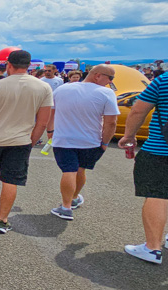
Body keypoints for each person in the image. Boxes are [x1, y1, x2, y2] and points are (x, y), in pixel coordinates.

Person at [0, 50, 54, 233]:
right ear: (29, 66)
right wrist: (31, 141)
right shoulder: (44, 87)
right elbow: (43, 122)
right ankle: (2, 219)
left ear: (8, 65)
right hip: (20, 141)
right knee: (10, 180)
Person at [48, 64, 119, 220]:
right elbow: (111, 122)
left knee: (69, 171)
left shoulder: (62, 89)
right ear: (98, 75)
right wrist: (105, 142)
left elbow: (51, 114)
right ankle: (72, 199)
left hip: (63, 139)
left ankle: (66, 206)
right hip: (90, 140)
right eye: (110, 78)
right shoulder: (106, 93)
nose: (110, 82)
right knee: (80, 170)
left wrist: (50, 132)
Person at [118, 69, 168, 264]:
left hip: (160, 149)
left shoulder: (163, 80)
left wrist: (129, 136)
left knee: (157, 194)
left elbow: (139, 109)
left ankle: (152, 247)